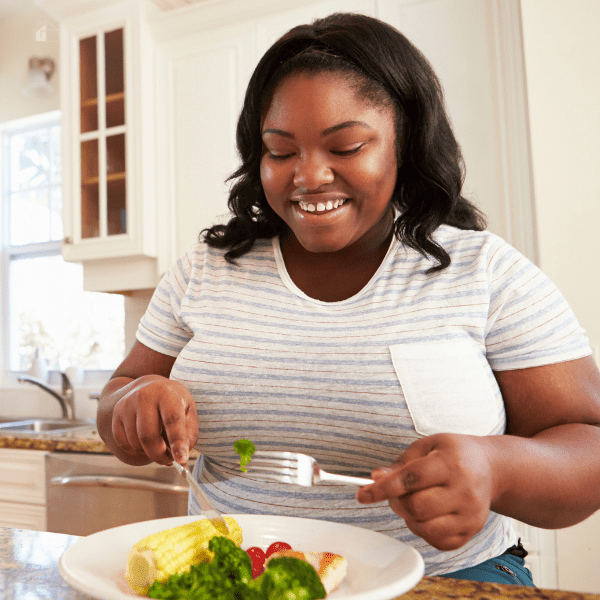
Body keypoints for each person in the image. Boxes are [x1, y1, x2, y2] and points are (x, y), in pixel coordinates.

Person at [97, 12, 600, 585]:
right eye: (280, 152)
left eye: (347, 146)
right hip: (238, 580)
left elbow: (588, 448)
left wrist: (497, 469)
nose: (308, 176)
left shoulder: (486, 273)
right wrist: (134, 400)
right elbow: (115, 401)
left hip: (447, 583)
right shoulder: (202, 274)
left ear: (403, 144)